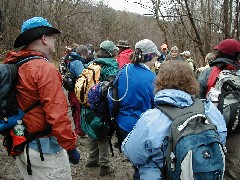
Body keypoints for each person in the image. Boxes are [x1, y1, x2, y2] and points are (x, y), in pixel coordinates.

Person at [121, 60, 227, 179]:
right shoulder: (209, 109)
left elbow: (133, 154)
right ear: (192, 81)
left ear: (159, 82)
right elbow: (221, 139)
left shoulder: (151, 119)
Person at [4, 16, 80, 179]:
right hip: (45, 151)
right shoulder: (44, 69)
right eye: (52, 37)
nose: (54, 41)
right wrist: (71, 147)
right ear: (44, 39)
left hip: (22, 143)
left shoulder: (18, 64)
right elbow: (57, 115)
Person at [115, 39, 159, 179]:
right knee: (145, 164)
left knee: (136, 160)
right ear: (150, 56)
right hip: (141, 129)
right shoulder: (153, 79)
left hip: (122, 124)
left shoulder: (124, 70)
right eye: (155, 56)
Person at [198, 39, 240, 180]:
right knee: (231, 166)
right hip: (235, 129)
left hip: (211, 127)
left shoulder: (209, 73)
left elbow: (197, 99)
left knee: (208, 163)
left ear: (220, 53)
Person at [81, 40, 119, 176]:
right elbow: (114, 87)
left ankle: (92, 159)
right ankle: (105, 165)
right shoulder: (111, 66)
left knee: (92, 131)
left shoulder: (92, 64)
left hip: (88, 105)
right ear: (110, 52)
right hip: (101, 106)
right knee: (103, 135)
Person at [66, 45, 89, 137]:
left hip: (71, 90)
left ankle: (77, 128)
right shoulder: (78, 63)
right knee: (78, 110)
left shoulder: (71, 60)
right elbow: (82, 76)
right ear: (83, 54)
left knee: (75, 109)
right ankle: (79, 130)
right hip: (77, 90)